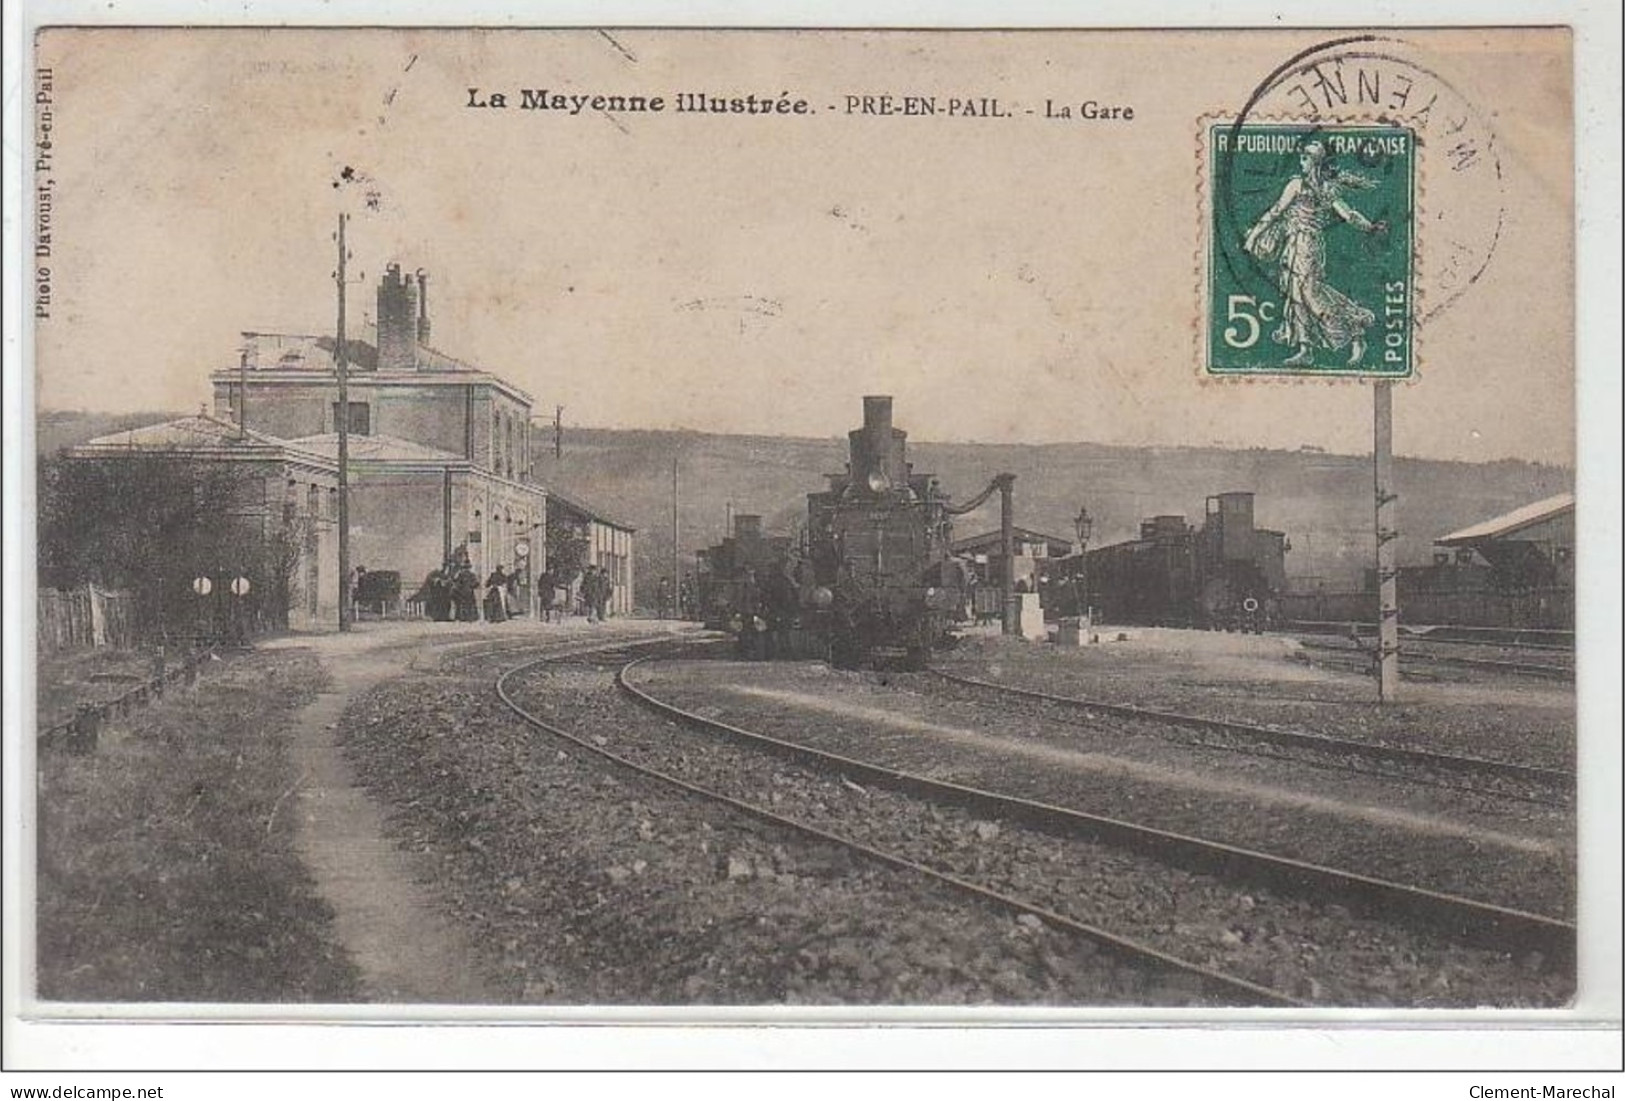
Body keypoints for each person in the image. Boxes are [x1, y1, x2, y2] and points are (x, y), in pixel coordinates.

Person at [1244, 139, 1387, 368]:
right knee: (1296, 294)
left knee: (1310, 295)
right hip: (1294, 245)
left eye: (1305, 157)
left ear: (1314, 162)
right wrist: (1369, 227)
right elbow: (1278, 212)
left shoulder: (1306, 186)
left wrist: (1370, 227)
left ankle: (1355, 329)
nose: (1301, 161)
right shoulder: (1311, 187)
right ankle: (1305, 349)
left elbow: (1347, 214)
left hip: (1308, 247)